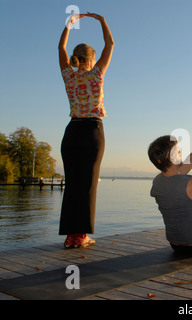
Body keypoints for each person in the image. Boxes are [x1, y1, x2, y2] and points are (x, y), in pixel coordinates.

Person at [58, 13, 114, 248]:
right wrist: (101, 20)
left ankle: (71, 236)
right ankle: (82, 236)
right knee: (88, 185)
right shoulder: (96, 74)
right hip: (92, 131)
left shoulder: (68, 75)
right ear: (91, 60)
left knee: (72, 184)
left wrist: (68, 25)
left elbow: (61, 46)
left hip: (71, 133)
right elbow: (110, 44)